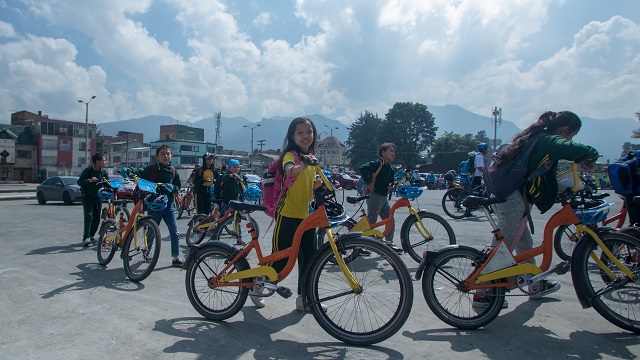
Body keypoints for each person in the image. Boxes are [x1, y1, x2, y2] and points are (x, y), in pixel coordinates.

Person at [476, 111, 599, 308]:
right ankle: (482, 292)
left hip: (509, 195)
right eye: (571, 135)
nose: (570, 138)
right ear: (565, 129)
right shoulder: (547, 140)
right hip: (511, 199)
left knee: (524, 242)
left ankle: (534, 283)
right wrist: (591, 155)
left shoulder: (535, 137)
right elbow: (571, 148)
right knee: (502, 247)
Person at [265, 116, 324, 312]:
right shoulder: (291, 155)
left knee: (310, 258)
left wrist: (319, 183)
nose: (305, 136)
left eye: (309, 132)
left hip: (306, 216)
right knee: (280, 258)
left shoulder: (312, 157)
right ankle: (259, 287)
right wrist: (303, 166)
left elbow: (311, 181)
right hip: (287, 214)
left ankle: (304, 298)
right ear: (292, 136)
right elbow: (290, 171)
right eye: (300, 132)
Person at [124, 145, 183, 267]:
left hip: (169, 205)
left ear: (171, 156)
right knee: (151, 230)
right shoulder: (151, 169)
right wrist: (129, 170)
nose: (166, 156)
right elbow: (138, 171)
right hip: (154, 204)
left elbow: (178, 186)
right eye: (162, 154)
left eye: (168, 154)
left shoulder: (173, 171)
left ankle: (176, 257)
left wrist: (174, 188)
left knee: (174, 231)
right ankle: (147, 252)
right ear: (157, 156)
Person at [359, 143, 402, 253]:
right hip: (375, 196)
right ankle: (362, 245)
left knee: (389, 220)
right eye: (391, 151)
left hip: (383, 198)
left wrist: (391, 185)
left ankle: (389, 243)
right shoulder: (378, 163)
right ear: (383, 152)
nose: (393, 154)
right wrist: (369, 182)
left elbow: (391, 181)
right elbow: (363, 168)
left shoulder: (389, 168)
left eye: (394, 151)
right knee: (371, 221)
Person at [77, 152, 109, 247]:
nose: (105, 162)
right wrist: (89, 180)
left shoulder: (104, 173)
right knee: (88, 217)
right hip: (87, 198)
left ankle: (91, 236)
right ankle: (86, 237)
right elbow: (80, 182)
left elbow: (107, 184)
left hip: (98, 198)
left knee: (96, 219)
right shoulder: (88, 171)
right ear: (97, 161)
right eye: (103, 160)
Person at [218, 159, 245, 244]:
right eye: (234, 167)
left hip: (236, 201)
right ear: (229, 168)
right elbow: (224, 179)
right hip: (226, 201)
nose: (236, 169)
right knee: (222, 218)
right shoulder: (226, 175)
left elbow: (243, 187)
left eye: (238, 167)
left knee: (237, 219)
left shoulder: (240, 176)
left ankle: (239, 238)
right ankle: (216, 236)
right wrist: (231, 176)